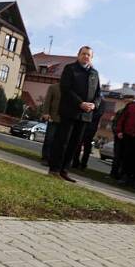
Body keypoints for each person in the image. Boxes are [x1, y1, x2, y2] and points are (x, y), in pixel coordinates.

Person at [47, 46, 101, 182]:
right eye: (83, 54)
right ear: (78, 55)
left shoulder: (94, 73)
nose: (86, 56)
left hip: (85, 115)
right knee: (62, 141)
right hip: (70, 112)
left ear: (92, 57)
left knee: (75, 144)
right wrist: (80, 103)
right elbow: (65, 89)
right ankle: (54, 169)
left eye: (88, 55)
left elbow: (99, 93)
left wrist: (94, 104)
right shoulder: (70, 69)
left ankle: (64, 170)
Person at [109, 95, 135, 180]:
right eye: (126, 101)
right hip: (119, 137)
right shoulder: (120, 111)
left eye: (130, 101)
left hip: (128, 137)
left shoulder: (134, 113)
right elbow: (114, 123)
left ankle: (121, 175)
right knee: (117, 156)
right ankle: (113, 174)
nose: (128, 103)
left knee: (125, 157)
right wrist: (117, 132)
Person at [74, 104, 103, 170]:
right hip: (83, 124)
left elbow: (99, 113)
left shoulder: (102, 102)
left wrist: (88, 115)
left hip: (91, 127)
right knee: (78, 143)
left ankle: (83, 164)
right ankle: (75, 162)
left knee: (87, 145)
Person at [40, 83, 61, 165]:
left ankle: (54, 160)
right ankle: (45, 158)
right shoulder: (53, 87)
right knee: (49, 139)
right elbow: (47, 101)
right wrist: (45, 113)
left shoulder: (72, 89)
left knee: (59, 142)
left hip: (65, 120)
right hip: (53, 118)